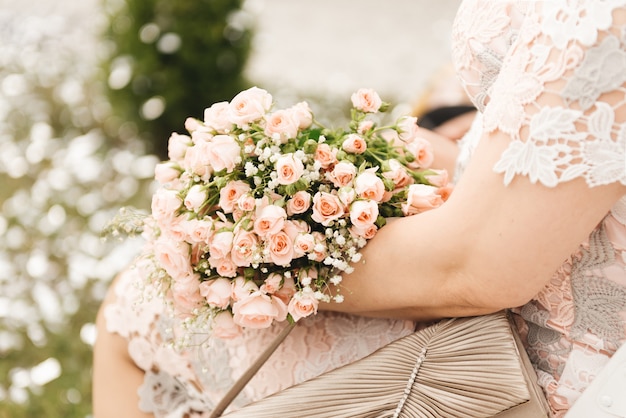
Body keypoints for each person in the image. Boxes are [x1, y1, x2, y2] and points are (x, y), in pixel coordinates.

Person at [93, 1, 626, 417]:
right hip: (520, 255)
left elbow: (475, 268)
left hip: (532, 363)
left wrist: (246, 260)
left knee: (130, 315)